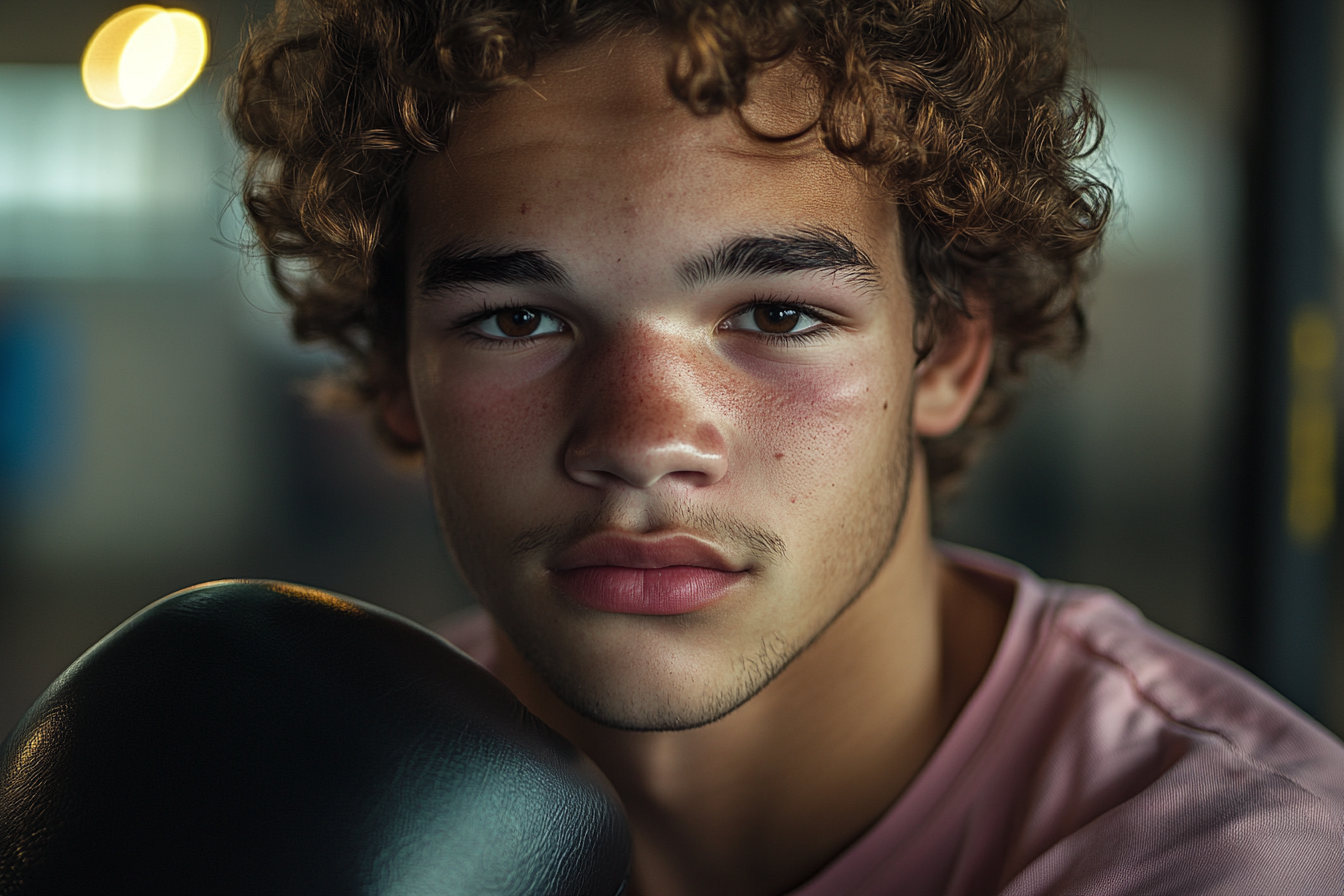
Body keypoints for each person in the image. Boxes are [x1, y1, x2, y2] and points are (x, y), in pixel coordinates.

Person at [229, 1, 1344, 893]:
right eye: (517, 319)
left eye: (776, 314)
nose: (642, 443)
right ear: (394, 377)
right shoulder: (307, 803)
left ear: (946, 352)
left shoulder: (1235, 854)